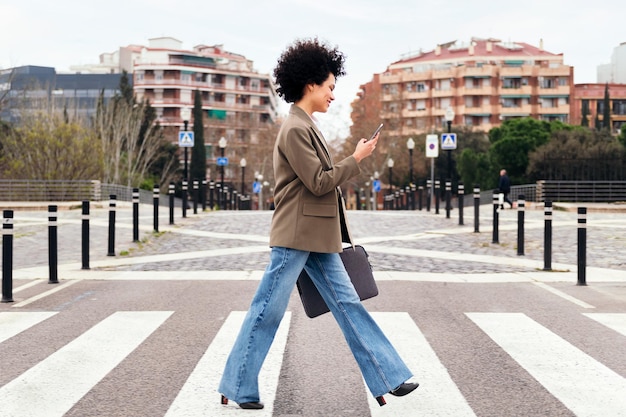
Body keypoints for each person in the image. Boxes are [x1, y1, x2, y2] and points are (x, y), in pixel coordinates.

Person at [218, 38, 418, 410]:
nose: (332, 95)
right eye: (329, 87)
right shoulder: (294, 128)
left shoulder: (306, 125)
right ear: (310, 84)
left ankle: (388, 375)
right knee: (267, 310)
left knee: (349, 305)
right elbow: (319, 181)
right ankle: (237, 383)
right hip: (296, 235)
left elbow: (320, 180)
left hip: (317, 236)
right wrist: (355, 158)